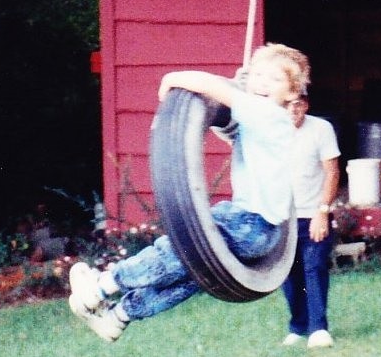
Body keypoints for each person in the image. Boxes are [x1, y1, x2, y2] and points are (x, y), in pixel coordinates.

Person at [67, 43, 309, 342]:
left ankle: (101, 287)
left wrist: (173, 78)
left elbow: (212, 88)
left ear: (292, 94)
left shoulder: (269, 115)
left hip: (247, 221)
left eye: (273, 79)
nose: (262, 83)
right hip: (263, 232)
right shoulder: (269, 124)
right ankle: (119, 317)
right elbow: (230, 130)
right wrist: (243, 84)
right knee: (190, 273)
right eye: (257, 75)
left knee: (175, 249)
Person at [279, 93, 341, 348]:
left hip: (313, 214)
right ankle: (298, 326)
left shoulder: (321, 129)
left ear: (305, 104)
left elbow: (332, 171)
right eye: (286, 104)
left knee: (313, 267)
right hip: (281, 216)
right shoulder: (270, 132)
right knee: (288, 275)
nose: (293, 109)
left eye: (298, 103)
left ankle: (318, 328)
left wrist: (322, 211)